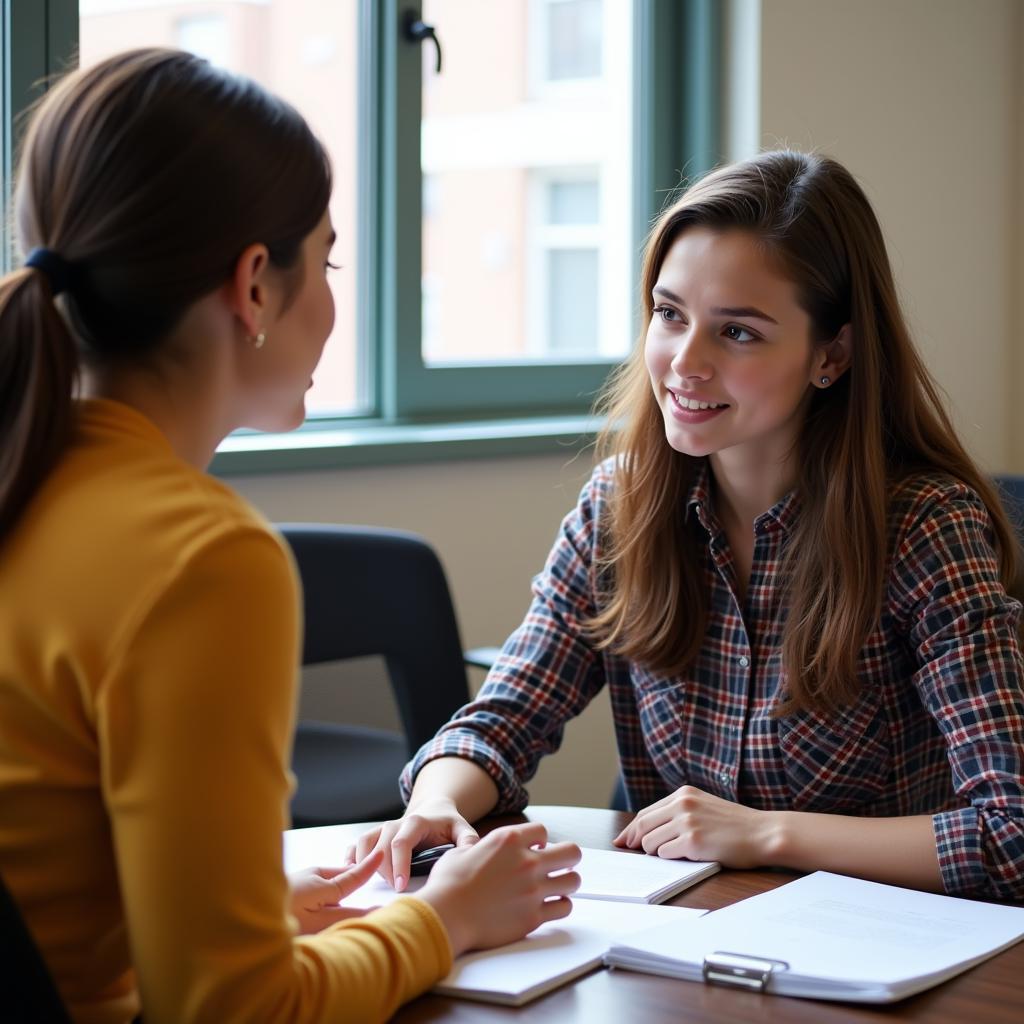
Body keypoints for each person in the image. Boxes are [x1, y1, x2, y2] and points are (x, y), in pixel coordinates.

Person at [0, 48, 581, 1024]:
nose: (333, 296)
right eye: (330, 258)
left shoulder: (29, 480)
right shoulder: (200, 558)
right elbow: (235, 1010)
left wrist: (261, 905)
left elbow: (53, 871)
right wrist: (443, 920)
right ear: (254, 287)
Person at [355, 150, 1024, 901]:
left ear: (831, 354)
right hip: (687, 940)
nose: (684, 363)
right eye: (670, 315)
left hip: (899, 959)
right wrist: (437, 801)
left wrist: (766, 830)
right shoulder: (621, 508)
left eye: (737, 333)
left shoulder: (924, 528)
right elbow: (503, 718)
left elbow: (1013, 831)